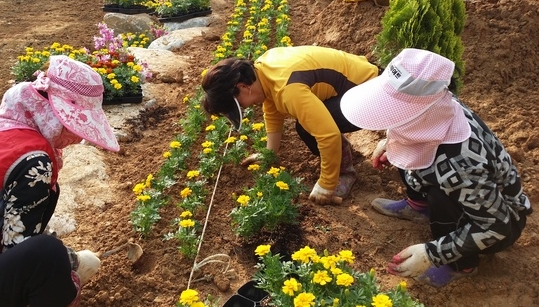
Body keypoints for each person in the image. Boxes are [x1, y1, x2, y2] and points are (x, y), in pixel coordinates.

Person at [340, 48, 532, 287]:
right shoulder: (441, 103)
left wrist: (431, 253)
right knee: (404, 150)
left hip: (498, 220)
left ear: (419, 112)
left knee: (442, 196)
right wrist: (391, 143)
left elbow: (496, 225)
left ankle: (461, 265)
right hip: (470, 191)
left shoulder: (460, 166)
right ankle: (418, 207)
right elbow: (413, 134)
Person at [0, 55, 120, 307]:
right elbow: (18, 248)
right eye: (73, 126)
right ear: (52, 113)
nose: (79, 139)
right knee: (47, 255)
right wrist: (66, 269)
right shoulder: (33, 159)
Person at [201, 45, 380, 205]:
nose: (243, 107)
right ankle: (342, 153)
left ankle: (344, 173)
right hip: (361, 80)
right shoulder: (262, 68)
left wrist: (326, 185)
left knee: (308, 128)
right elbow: (272, 110)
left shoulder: (288, 89)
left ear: (243, 87)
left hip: (373, 93)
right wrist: (269, 154)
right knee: (312, 122)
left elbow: (328, 135)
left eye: (238, 104)